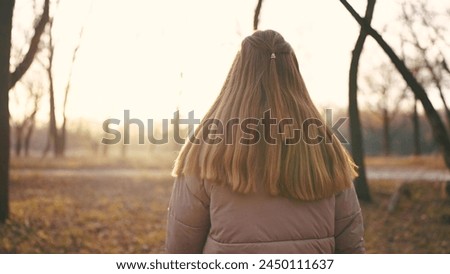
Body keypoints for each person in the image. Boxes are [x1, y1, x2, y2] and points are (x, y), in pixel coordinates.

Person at [166, 30, 365, 253]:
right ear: (294, 75)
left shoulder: (205, 151)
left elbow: (180, 251)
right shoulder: (327, 151)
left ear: (237, 75)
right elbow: (351, 249)